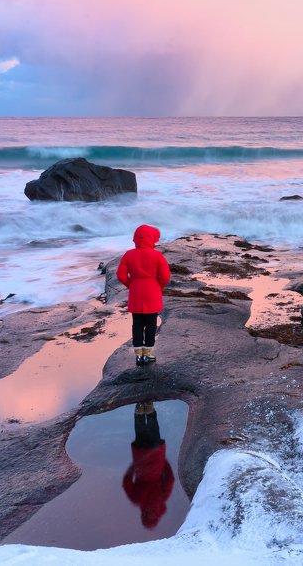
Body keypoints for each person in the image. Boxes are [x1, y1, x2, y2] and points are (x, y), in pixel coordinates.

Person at [116, 224, 171, 366]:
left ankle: (139, 356)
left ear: (136, 238)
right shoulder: (157, 256)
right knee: (151, 325)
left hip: (136, 293)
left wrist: (131, 285)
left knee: (137, 325)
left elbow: (121, 275)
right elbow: (165, 276)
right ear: (152, 238)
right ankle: (148, 355)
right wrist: (159, 286)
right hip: (152, 292)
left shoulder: (128, 255)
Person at [122, 401, 175, 529]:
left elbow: (170, 479)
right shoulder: (137, 500)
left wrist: (164, 462)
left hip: (157, 458)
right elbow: (126, 483)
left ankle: (149, 408)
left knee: (153, 430)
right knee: (140, 432)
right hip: (140, 457)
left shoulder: (162, 499)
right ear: (142, 515)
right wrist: (133, 467)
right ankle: (140, 409)